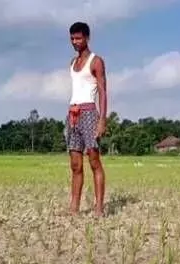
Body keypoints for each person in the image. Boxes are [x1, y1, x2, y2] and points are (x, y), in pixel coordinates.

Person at [65, 21, 107, 217]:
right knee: (75, 164)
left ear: (87, 38)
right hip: (73, 114)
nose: (75, 41)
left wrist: (102, 120)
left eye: (79, 38)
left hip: (90, 113)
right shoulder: (72, 64)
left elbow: (102, 92)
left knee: (94, 161)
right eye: (72, 38)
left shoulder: (96, 61)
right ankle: (74, 207)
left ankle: (99, 207)